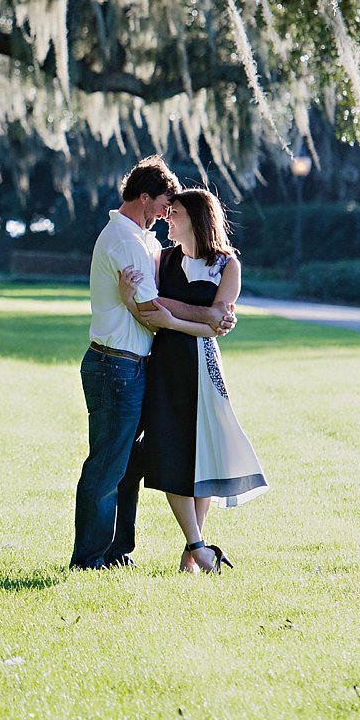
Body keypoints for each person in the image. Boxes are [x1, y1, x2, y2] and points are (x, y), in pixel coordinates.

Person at [70, 157, 234, 570]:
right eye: (164, 203)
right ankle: (89, 558)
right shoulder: (126, 241)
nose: (167, 212)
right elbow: (149, 308)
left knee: (130, 464)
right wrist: (210, 315)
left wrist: (214, 313)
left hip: (138, 366)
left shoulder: (144, 240)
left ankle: (116, 551)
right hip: (115, 366)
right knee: (108, 465)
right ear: (144, 198)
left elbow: (157, 302)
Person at [119, 186, 268, 574]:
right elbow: (153, 310)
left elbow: (218, 325)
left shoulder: (227, 265)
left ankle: (194, 549)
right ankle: (199, 546)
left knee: (201, 452)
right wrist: (161, 311)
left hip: (203, 366)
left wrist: (171, 318)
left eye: (176, 213)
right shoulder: (159, 259)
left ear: (197, 218)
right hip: (164, 366)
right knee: (169, 448)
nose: (168, 218)